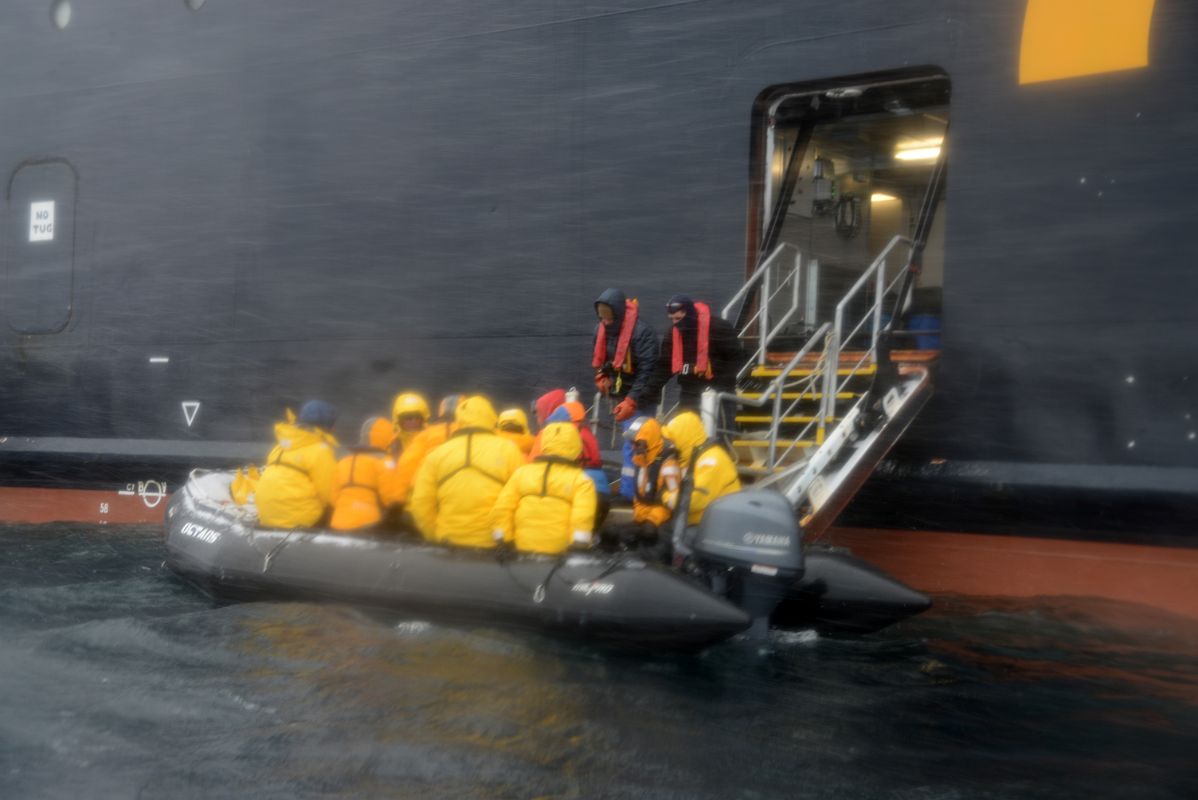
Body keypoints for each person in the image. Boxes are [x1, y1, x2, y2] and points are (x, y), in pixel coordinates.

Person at [409, 395, 526, 548]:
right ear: (491, 418)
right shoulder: (509, 450)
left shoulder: (437, 454)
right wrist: (508, 538)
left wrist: (435, 536)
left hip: (448, 545)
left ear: (460, 420)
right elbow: (523, 499)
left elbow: (420, 504)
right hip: (494, 546)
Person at [592, 288, 659, 499]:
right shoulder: (602, 331)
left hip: (642, 398)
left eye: (609, 316)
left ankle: (638, 493)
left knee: (640, 446)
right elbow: (604, 361)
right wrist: (603, 376)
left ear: (619, 313)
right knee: (628, 446)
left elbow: (648, 372)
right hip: (622, 396)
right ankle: (631, 491)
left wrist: (632, 400)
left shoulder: (642, 334)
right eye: (602, 317)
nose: (606, 321)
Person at [492, 422, 597, 555]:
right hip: (559, 553)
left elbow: (502, 508)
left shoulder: (521, 473)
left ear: (544, 444)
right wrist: (579, 546)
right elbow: (582, 516)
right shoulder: (582, 480)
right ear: (576, 446)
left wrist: (503, 540)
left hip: (522, 549)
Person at [652, 294, 742, 416]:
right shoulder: (672, 334)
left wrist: (720, 379)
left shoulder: (719, 328)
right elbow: (663, 367)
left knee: (720, 431)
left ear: (689, 314)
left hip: (719, 393)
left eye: (678, 318)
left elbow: (737, 358)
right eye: (672, 319)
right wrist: (647, 392)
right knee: (687, 431)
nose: (675, 323)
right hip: (689, 394)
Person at [256, 400, 339, 529]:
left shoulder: (280, 447)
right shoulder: (320, 450)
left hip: (267, 516)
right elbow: (329, 493)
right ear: (327, 427)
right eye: (333, 425)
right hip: (299, 520)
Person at [661, 411, 741, 526]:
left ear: (685, 438)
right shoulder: (692, 459)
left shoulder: (712, 460)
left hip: (714, 526)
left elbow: (693, 501)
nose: (671, 446)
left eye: (674, 440)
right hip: (699, 523)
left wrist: (666, 497)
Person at [380, 394, 460, 510]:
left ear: (423, 418)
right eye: (408, 418)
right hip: (403, 501)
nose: (413, 422)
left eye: (417, 417)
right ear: (399, 421)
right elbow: (388, 476)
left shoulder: (432, 437)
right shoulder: (393, 445)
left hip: (430, 497)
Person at [329, 417, 397, 532]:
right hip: (368, 524)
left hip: (338, 523)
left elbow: (333, 498)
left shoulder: (344, 460)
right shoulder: (385, 461)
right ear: (387, 438)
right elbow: (389, 499)